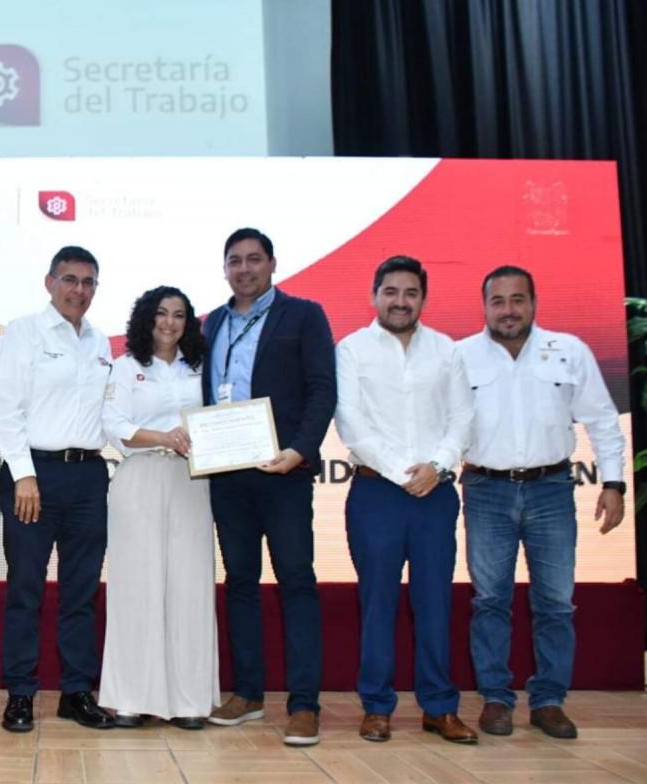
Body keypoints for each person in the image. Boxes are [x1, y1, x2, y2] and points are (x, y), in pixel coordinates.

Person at [458, 265, 625, 740]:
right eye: (498, 301)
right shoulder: (461, 356)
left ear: (533, 303)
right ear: (484, 306)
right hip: (485, 489)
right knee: (490, 600)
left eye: (518, 300)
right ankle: (495, 698)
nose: (508, 310)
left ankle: (549, 701)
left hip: (551, 489)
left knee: (555, 601)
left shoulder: (569, 350)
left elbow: (603, 420)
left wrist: (613, 483)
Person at [335, 256, 477, 745]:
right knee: (377, 602)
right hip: (377, 492)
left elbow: (463, 418)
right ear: (374, 295)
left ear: (423, 298)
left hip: (435, 494)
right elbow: (351, 423)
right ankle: (377, 707)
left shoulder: (447, 350)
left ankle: (440, 708)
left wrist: (436, 467)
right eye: (391, 291)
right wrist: (403, 474)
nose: (400, 301)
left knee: (434, 602)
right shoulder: (351, 349)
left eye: (410, 292)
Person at [202, 227, 335, 747]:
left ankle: (304, 705)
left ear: (273, 264)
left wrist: (299, 450)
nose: (244, 269)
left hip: (284, 472)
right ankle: (248, 693)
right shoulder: (213, 322)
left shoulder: (303, 315)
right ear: (225, 269)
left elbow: (322, 389)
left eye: (254, 259)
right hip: (227, 474)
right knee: (240, 582)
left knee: (296, 582)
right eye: (234, 260)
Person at [0, 245, 115, 733]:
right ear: (49, 282)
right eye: (69, 279)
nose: (78, 290)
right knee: (25, 589)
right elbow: (6, 410)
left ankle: (76, 691)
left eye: (87, 282)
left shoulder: (101, 342)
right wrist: (23, 474)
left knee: (80, 592)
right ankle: (20, 693)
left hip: (88, 477)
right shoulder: (24, 331)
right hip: (34, 475)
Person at [100, 286, 218, 729]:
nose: (170, 322)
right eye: (162, 313)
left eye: (179, 315)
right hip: (140, 477)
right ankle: (131, 698)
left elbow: (222, 416)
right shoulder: (126, 367)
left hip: (192, 481)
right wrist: (163, 437)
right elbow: (114, 424)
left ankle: (189, 701)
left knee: (190, 587)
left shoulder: (202, 368)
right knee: (136, 586)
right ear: (146, 318)